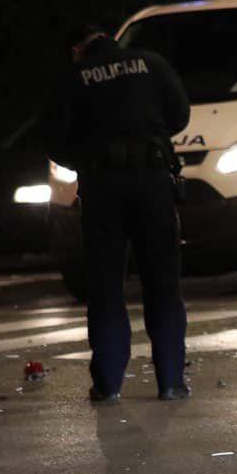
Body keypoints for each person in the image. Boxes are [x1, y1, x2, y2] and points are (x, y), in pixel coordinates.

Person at [45, 24, 192, 402]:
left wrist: (87, 159)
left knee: (106, 285)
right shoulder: (151, 63)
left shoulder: (75, 76)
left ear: (78, 49)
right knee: (162, 280)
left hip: (103, 188)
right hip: (153, 180)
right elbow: (180, 114)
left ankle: (109, 383)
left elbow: (55, 140)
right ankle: (172, 381)